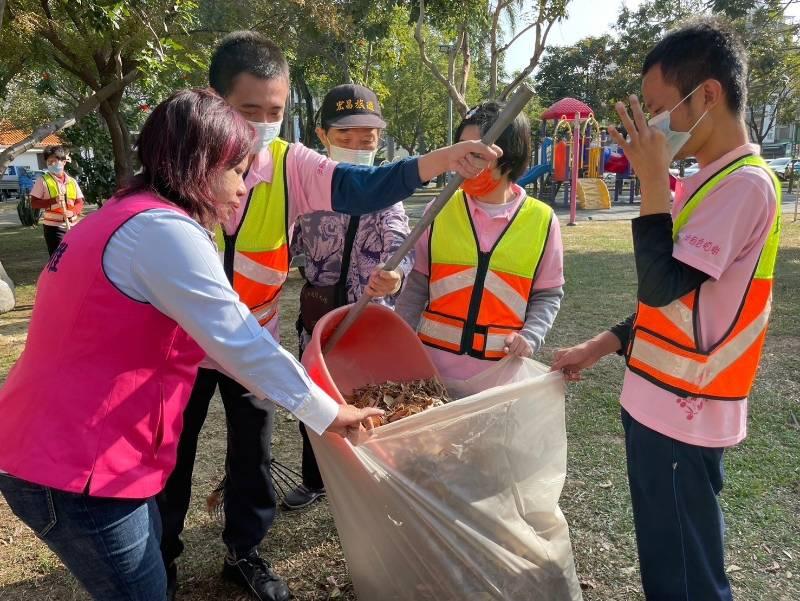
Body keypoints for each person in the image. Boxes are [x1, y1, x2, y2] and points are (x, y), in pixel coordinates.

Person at [0, 88, 387, 601]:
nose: (244, 189)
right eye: (237, 171)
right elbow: (240, 341)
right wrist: (330, 412)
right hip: (79, 469)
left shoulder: (126, 212)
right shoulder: (164, 232)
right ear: (197, 165)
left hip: (64, 451)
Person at [156, 31, 500, 601]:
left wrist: (442, 159)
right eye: (249, 111)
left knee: (254, 456)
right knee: (169, 457)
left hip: (253, 346)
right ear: (213, 104)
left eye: (276, 112)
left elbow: (363, 187)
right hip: (179, 351)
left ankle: (243, 553)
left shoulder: (290, 164)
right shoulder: (176, 170)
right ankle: (159, 563)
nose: (262, 126)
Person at [551, 18, 780, 601]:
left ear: (708, 95)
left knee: (685, 576)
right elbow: (675, 305)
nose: (653, 127)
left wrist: (653, 180)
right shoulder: (708, 180)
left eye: (659, 108)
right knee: (666, 559)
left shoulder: (745, 186)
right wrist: (599, 347)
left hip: (685, 409)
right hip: (657, 401)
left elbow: (659, 284)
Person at [282, 83, 413, 511]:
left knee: (369, 403)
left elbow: (399, 241)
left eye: (367, 139)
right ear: (322, 136)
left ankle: (371, 480)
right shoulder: (305, 191)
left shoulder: (385, 193)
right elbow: (285, 241)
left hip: (368, 325)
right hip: (319, 324)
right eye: (345, 138)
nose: (357, 147)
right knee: (314, 402)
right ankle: (316, 478)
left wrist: (393, 276)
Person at [396, 101, 564, 382]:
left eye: (477, 151)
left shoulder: (543, 221)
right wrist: (399, 342)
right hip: (433, 372)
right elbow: (415, 285)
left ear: (509, 156)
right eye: (461, 148)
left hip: (499, 375)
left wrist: (531, 336)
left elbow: (547, 294)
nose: (464, 160)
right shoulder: (439, 210)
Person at [30, 145, 85, 255]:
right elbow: (34, 203)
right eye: (48, 162)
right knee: (58, 259)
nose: (51, 164)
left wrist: (73, 211)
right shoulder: (42, 181)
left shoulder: (72, 181)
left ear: (63, 162)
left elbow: (80, 202)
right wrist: (52, 200)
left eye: (54, 161)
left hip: (73, 226)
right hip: (54, 228)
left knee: (75, 256)